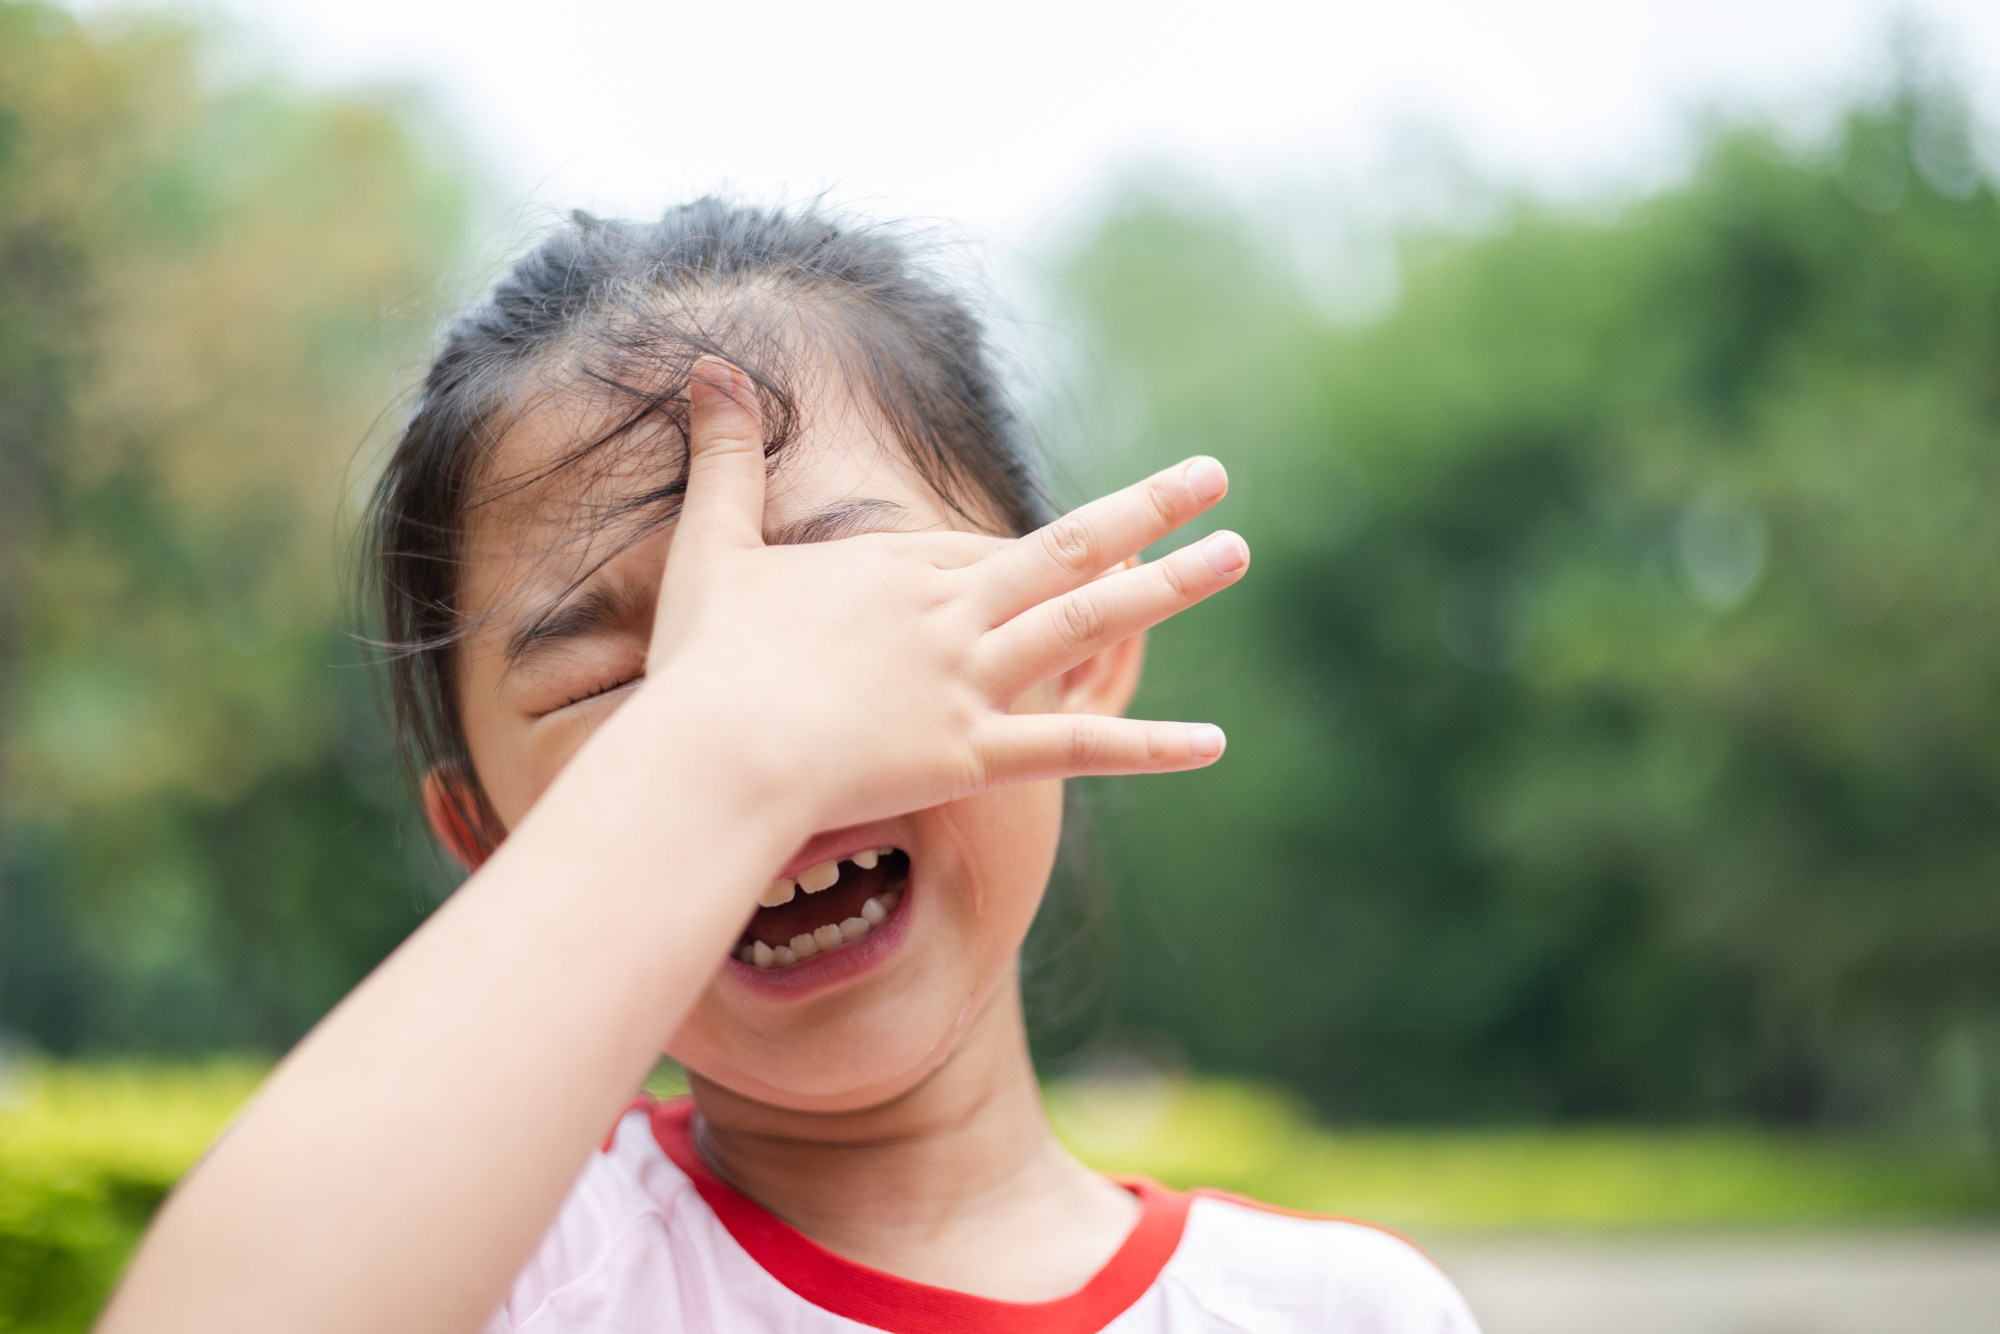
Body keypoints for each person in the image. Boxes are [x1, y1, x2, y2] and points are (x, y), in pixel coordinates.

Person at [97, 200, 1479, 1334]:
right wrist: (709, 761)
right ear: (491, 843)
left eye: (824, 615)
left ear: (1073, 642)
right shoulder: (497, 1279)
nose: (766, 719)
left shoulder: (1341, 1310)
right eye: (609, 687)